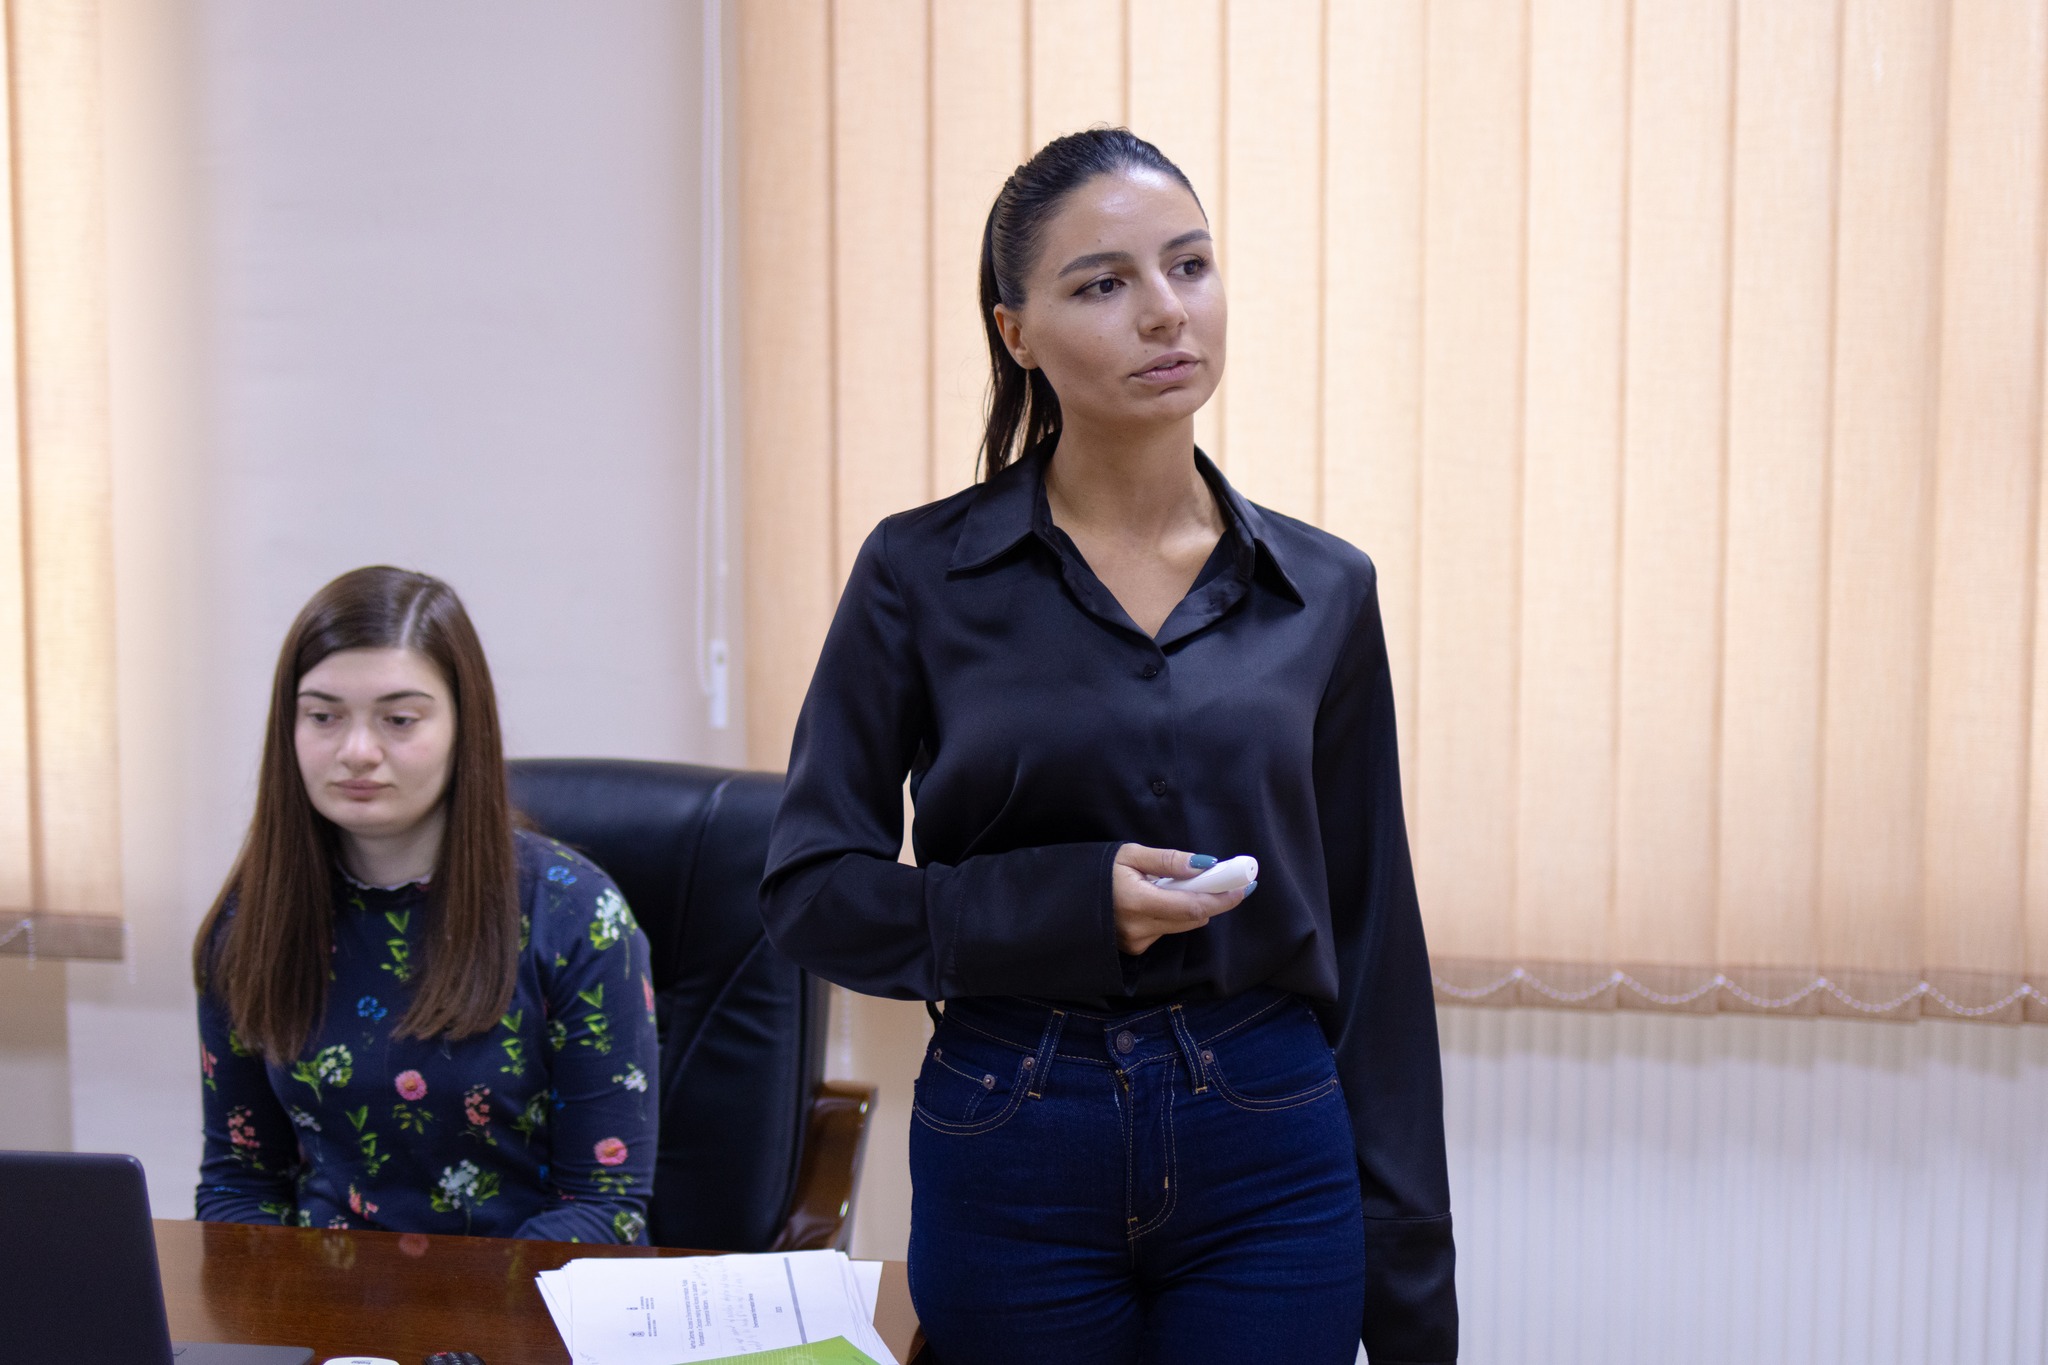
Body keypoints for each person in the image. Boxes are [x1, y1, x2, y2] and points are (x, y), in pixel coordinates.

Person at [761, 129, 1457, 1364]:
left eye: (1188, 265)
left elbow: (1371, 946)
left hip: (1269, 1135)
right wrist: (1069, 906)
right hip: (1011, 1131)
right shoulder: (916, 574)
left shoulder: (1324, 591)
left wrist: (1413, 1310)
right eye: (1101, 283)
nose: (1163, 311)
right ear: (1015, 332)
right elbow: (813, 896)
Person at [193, 566, 658, 1242]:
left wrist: (456, 1311)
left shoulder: (576, 915)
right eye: (323, 716)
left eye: (399, 719)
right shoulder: (251, 921)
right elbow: (239, 1183)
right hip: (324, 1297)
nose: (357, 751)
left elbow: (603, 1205)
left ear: (465, 727)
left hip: (529, 1294)